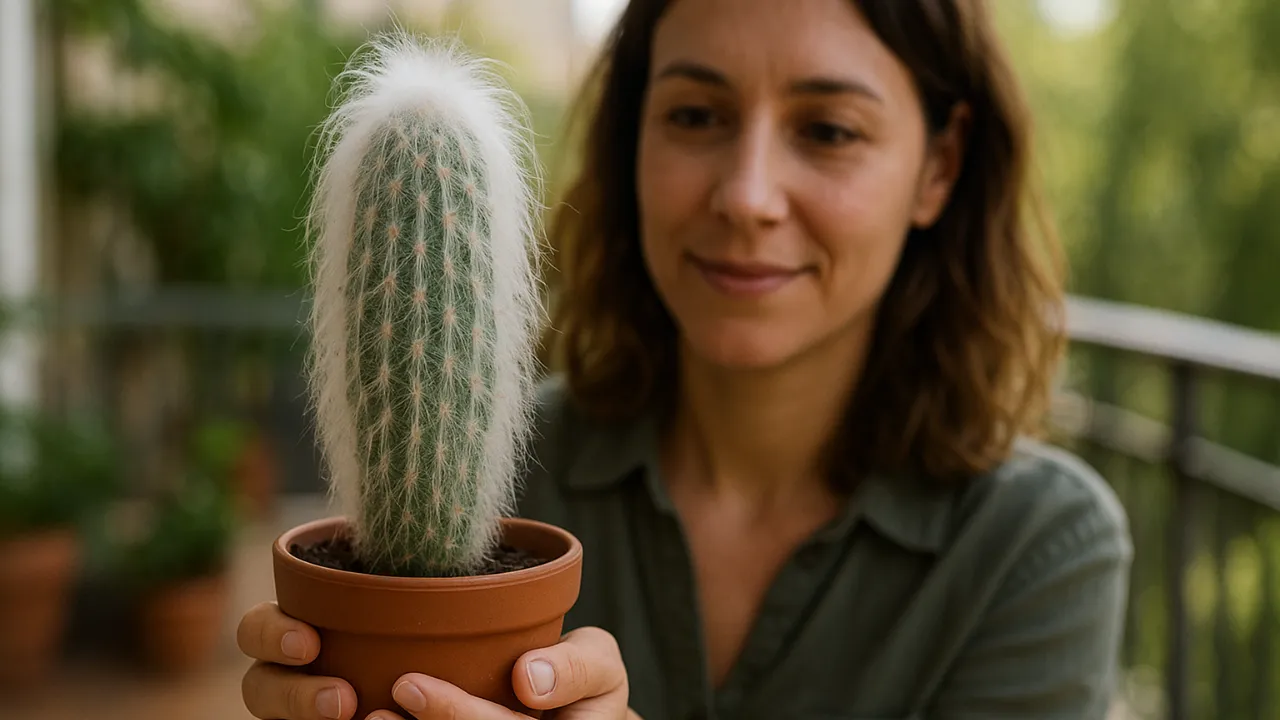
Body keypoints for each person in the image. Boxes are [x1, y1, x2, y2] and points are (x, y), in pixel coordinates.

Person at [236, 0, 1133, 718]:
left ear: (939, 167)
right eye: (696, 114)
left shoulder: (1039, 549)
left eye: (828, 130)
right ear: (633, 143)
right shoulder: (494, 476)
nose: (746, 197)